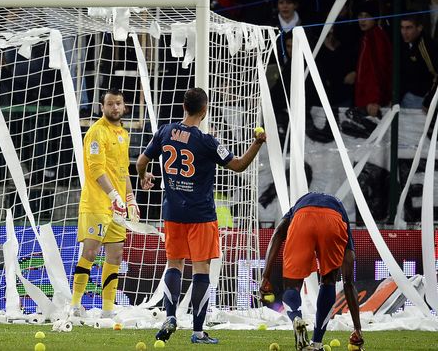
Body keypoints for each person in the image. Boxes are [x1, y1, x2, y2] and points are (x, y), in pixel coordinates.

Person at [135, 87, 265, 345]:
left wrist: (143, 176)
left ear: (184, 107)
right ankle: (197, 331)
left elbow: (141, 161)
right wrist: (258, 143)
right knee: (201, 269)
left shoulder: (165, 132)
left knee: (174, 264)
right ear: (204, 111)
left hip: (172, 213)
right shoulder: (207, 142)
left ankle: (170, 316)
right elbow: (238, 165)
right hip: (201, 215)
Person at [260, 192, 364, 351]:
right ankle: (316, 344)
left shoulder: (297, 207)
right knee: (329, 280)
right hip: (333, 221)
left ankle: (296, 318)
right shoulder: (340, 211)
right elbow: (348, 282)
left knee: (292, 286)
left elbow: (277, 235)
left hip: (302, 219)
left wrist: (265, 276)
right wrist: (357, 329)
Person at [69, 88, 139, 319]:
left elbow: (123, 171)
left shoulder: (123, 134)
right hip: (97, 203)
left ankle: (108, 309)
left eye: (118, 103)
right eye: (110, 104)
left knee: (116, 256)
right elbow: (96, 169)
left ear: (124, 106)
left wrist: (129, 199)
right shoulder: (96, 133)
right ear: (102, 107)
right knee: (90, 251)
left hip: (117, 207)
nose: (114, 108)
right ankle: (75, 304)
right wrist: (114, 196)